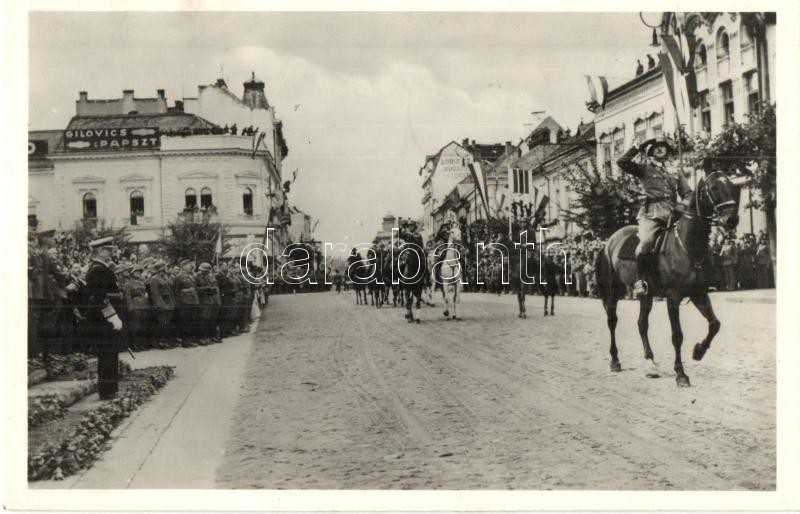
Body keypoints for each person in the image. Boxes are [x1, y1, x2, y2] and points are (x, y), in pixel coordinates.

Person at [617, 135, 693, 296]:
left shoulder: (675, 171)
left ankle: (695, 279)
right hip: (651, 214)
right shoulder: (644, 168)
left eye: (662, 146)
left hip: (674, 213)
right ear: (651, 151)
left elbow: (688, 194)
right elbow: (622, 162)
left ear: (667, 150)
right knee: (646, 243)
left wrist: (683, 205)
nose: (659, 148)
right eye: (655, 146)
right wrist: (640, 146)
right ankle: (641, 282)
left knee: (691, 236)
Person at [84, 237, 124, 400]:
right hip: (103, 318)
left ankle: (110, 389)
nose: (111, 253)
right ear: (100, 252)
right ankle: (107, 390)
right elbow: (100, 297)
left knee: (109, 353)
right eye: (109, 250)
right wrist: (112, 316)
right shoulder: (98, 269)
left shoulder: (101, 268)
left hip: (103, 318)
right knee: (107, 354)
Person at [149, 259, 176, 348]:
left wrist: (173, 303)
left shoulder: (167, 277)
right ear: (160, 268)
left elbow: (172, 288)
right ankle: (160, 341)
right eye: (164, 266)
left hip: (169, 302)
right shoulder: (154, 279)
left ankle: (166, 341)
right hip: (161, 303)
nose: (165, 268)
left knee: (167, 323)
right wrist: (159, 305)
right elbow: (155, 294)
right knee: (162, 324)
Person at [173, 258, 200, 347]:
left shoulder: (191, 276)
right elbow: (176, 292)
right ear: (183, 266)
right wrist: (178, 304)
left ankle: (190, 339)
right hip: (184, 302)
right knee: (185, 322)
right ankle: (185, 341)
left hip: (193, 301)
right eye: (189, 265)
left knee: (192, 321)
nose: (191, 266)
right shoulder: (178, 277)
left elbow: (195, 289)